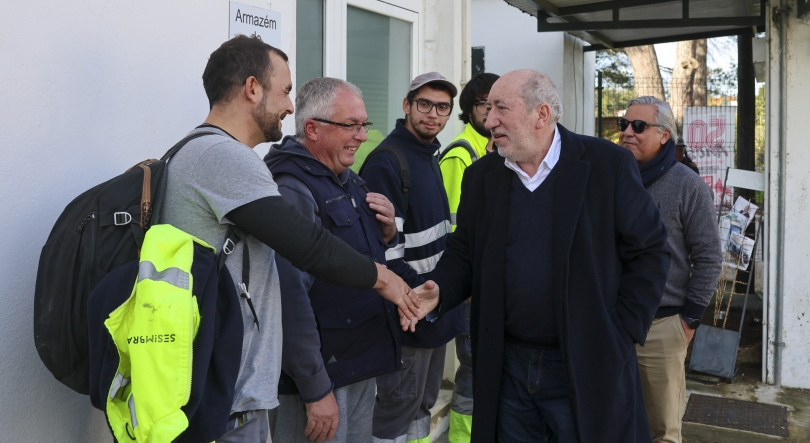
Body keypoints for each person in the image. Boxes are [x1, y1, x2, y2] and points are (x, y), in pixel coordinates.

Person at [160, 35, 422, 443]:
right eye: (284, 91)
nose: (288, 106)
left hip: (230, 389)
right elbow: (308, 246)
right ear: (252, 88)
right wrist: (383, 278)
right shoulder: (224, 157)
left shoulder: (204, 152)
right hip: (227, 395)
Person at [417, 70, 672, 443]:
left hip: (583, 360)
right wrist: (439, 289)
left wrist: (622, 329)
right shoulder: (481, 177)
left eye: (501, 109)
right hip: (507, 363)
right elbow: (464, 252)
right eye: (488, 110)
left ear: (541, 114)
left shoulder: (607, 165)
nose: (489, 121)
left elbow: (650, 251)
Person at [265, 77, 404, 443]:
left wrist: (387, 233)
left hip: (357, 365)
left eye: (364, 125)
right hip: (321, 380)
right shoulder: (292, 187)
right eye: (351, 125)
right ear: (312, 128)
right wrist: (314, 388)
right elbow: (289, 297)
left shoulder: (347, 179)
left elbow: (358, 257)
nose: (362, 136)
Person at [360, 72, 467, 443]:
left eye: (442, 107)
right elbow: (383, 253)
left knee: (422, 405)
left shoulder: (428, 154)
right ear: (406, 106)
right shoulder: (387, 162)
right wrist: (427, 296)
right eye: (424, 104)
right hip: (406, 316)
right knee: (397, 409)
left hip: (433, 310)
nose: (433, 114)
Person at [620, 97, 722, 443]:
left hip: (662, 326)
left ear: (665, 135)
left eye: (638, 126)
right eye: (624, 125)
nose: (627, 133)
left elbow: (709, 256)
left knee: (662, 430)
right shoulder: (612, 179)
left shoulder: (687, 185)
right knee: (611, 421)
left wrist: (690, 319)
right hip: (612, 323)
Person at [436, 72, 499, 443]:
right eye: (482, 104)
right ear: (469, 110)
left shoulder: (498, 146)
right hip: (473, 288)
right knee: (474, 371)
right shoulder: (463, 153)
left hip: (492, 285)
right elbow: (454, 231)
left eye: (497, 105)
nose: (490, 112)